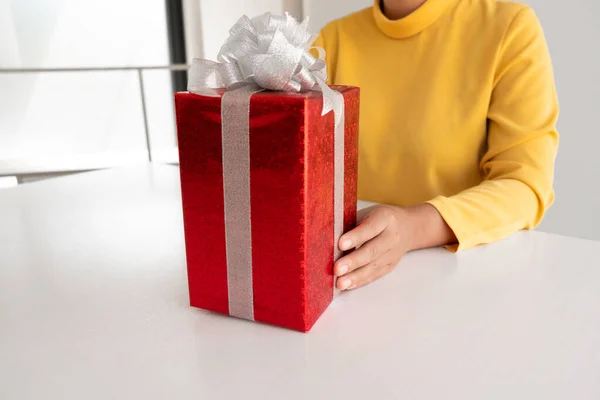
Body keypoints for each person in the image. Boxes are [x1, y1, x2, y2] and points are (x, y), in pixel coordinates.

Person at [314, 0, 559, 291]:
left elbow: (524, 185)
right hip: (348, 284)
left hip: (465, 284)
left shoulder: (509, 27)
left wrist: (411, 227)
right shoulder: (332, 39)